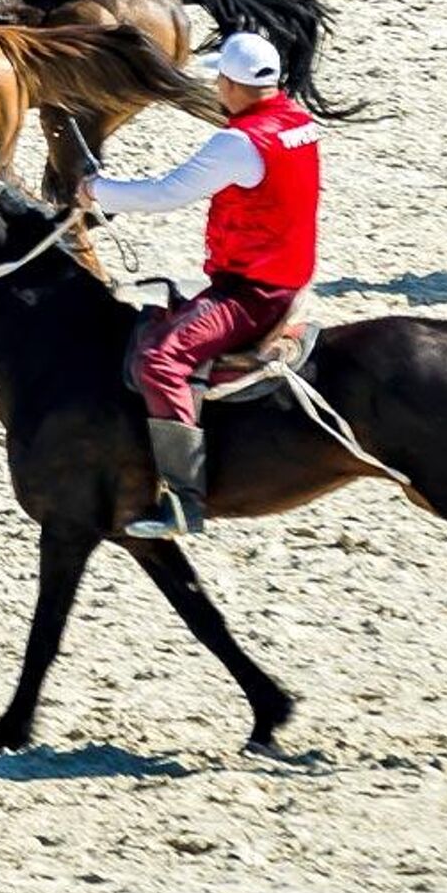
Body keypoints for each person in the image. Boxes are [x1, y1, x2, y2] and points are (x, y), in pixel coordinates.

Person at [77, 31, 322, 539]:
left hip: (253, 291)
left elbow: (167, 194)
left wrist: (96, 190)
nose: (216, 90)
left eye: (220, 81)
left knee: (159, 359)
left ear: (232, 84)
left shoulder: (238, 142)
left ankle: (184, 499)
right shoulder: (298, 121)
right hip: (286, 274)